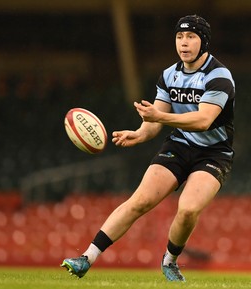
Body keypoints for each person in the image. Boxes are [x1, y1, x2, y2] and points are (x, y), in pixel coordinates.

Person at [61, 14, 236, 282]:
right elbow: (154, 123)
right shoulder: (169, 75)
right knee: (139, 201)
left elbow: (203, 120)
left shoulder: (219, 76)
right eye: (179, 37)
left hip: (214, 153)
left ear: (204, 42)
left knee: (188, 209)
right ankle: (86, 257)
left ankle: (170, 260)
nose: (184, 43)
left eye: (191, 37)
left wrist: (159, 118)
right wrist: (140, 133)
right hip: (179, 144)